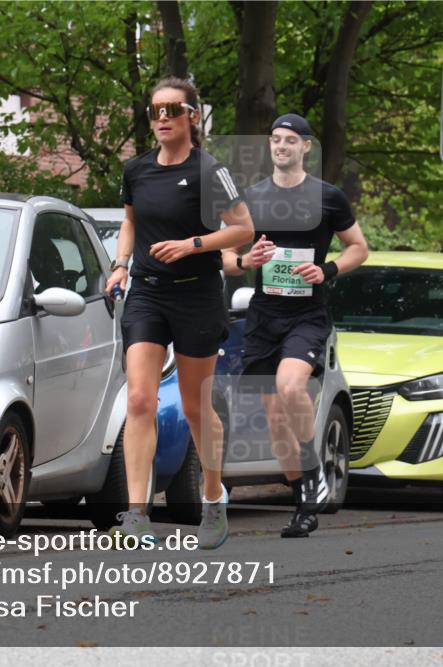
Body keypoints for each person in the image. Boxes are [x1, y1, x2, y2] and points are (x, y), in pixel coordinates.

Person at [105, 77, 254, 548]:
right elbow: (130, 222)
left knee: (193, 406)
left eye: (172, 109)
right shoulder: (137, 170)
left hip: (197, 294)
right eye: (155, 111)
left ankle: (213, 499)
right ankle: (136, 514)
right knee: (139, 401)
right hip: (147, 292)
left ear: (192, 115)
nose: (163, 118)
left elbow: (243, 229)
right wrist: (120, 264)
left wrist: (193, 245)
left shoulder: (210, 170)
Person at [223, 114, 368, 537]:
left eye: (289, 140)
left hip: (307, 315)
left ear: (306, 147)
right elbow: (226, 256)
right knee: (274, 419)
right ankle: (305, 495)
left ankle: (314, 472)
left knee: (291, 387)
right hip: (264, 315)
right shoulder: (251, 199)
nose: (281, 146)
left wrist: (328, 270)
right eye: (274, 140)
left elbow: (359, 248)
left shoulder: (329, 198)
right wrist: (246, 260)